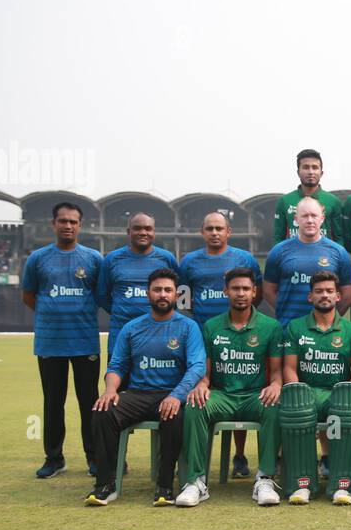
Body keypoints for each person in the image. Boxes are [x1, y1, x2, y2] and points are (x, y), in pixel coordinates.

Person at [85, 268, 205, 506]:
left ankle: (164, 486)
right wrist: (110, 391)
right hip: (138, 394)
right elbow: (117, 365)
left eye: (168, 290)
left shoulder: (188, 326)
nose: (163, 294)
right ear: (148, 293)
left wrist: (176, 396)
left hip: (171, 393)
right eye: (157, 289)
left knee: (176, 417)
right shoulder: (132, 328)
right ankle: (105, 484)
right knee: (102, 412)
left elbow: (197, 367)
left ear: (176, 295)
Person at [176, 268, 284, 508]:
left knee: (275, 405)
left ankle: (265, 479)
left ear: (255, 292)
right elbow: (206, 373)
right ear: (226, 291)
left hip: (254, 396)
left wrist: (276, 385)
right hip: (222, 395)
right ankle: (196, 481)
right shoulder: (211, 326)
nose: (241, 293)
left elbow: (276, 372)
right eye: (235, 288)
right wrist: (202, 385)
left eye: (246, 289)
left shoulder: (271, 327)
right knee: (195, 404)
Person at [22, 201, 104, 479]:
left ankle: (94, 457)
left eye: (73, 221)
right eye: (62, 221)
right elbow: (29, 296)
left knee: (89, 401)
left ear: (80, 225)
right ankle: (54, 458)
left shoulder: (93, 259)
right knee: (53, 402)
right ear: (53, 224)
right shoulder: (38, 258)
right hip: (50, 342)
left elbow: (101, 295)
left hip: (85, 342)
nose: (68, 226)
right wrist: (53, 315)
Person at [178, 211, 261, 477]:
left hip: (237, 335)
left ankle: (239, 455)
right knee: (199, 395)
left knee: (237, 389)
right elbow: (183, 298)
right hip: (202, 336)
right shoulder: (189, 261)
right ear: (202, 232)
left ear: (229, 232)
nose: (214, 233)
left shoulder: (244, 258)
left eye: (219, 228)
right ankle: (194, 462)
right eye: (209, 228)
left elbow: (253, 295)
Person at [279, 272, 351, 505]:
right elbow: (289, 367)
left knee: (345, 411)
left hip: (336, 394)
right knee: (299, 410)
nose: (324, 295)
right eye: (319, 291)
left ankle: (342, 484)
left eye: (329, 291)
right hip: (306, 393)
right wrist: (298, 391)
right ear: (310, 296)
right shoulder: (296, 327)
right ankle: (302, 483)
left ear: (338, 296)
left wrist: (349, 392)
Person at [262, 196, 351, 326]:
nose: (310, 220)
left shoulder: (339, 252)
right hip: (288, 329)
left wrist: (331, 318)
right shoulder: (279, 251)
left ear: (322, 219)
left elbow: (349, 294)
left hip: (325, 331)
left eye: (314, 216)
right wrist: (284, 312)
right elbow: (267, 290)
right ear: (296, 219)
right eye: (305, 216)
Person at [97, 213, 179, 361]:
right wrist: (121, 311)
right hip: (120, 340)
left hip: (159, 338)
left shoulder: (167, 258)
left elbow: (178, 292)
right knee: (118, 383)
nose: (143, 232)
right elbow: (102, 296)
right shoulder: (112, 259)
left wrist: (161, 314)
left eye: (148, 228)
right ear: (128, 232)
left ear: (154, 232)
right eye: (137, 228)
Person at [271, 148, 342, 242]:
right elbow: (278, 238)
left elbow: (339, 238)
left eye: (315, 167)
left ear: (321, 173)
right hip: (294, 255)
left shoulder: (333, 201)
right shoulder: (285, 201)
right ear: (298, 172)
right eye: (306, 167)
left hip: (323, 255)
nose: (311, 172)